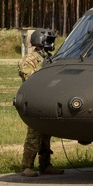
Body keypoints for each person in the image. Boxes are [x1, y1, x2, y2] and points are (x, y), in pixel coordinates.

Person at [18, 29, 62, 176]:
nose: (51, 44)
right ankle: (27, 166)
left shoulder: (49, 58)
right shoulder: (29, 59)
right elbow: (30, 79)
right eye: (48, 41)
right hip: (34, 101)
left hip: (47, 100)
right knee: (33, 134)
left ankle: (45, 164)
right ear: (40, 41)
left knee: (46, 134)